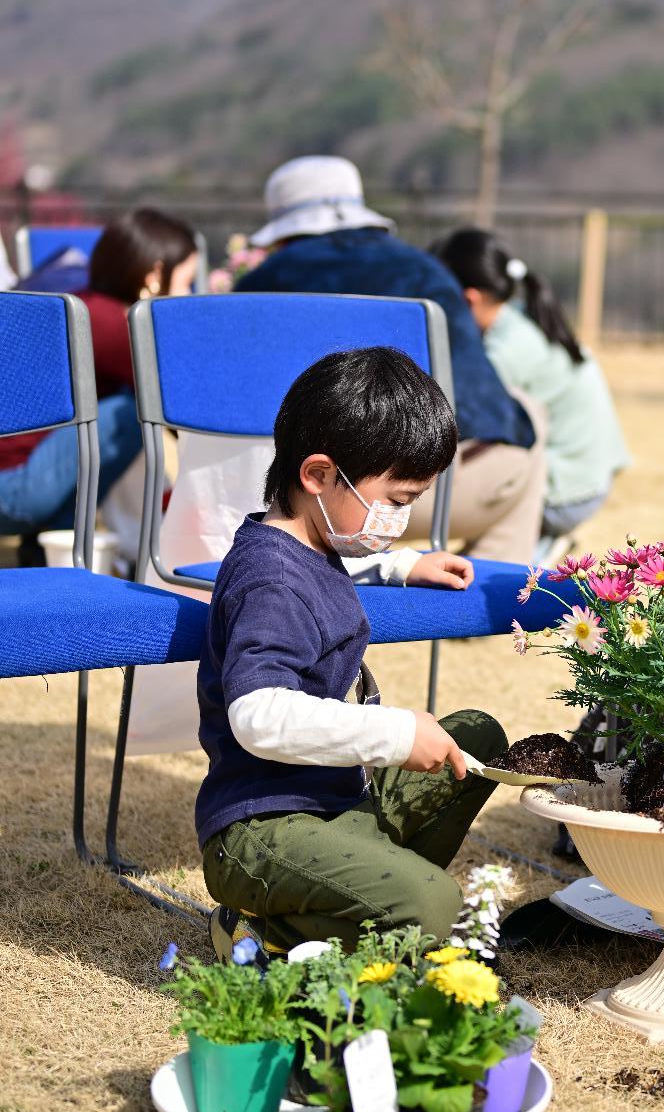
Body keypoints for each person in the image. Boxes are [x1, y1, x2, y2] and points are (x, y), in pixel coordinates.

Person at [197, 344, 509, 956]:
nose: (401, 516)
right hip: (263, 825)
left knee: (476, 737)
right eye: (395, 501)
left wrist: (402, 564)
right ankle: (260, 929)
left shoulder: (309, 538)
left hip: (334, 800)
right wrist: (392, 735)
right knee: (437, 906)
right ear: (317, 475)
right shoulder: (270, 583)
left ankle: (370, 885)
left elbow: (333, 558)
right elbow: (257, 715)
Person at [236, 156, 546, 565]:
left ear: (283, 233)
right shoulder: (427, 271)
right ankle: (483, 605)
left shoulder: (265, 284)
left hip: (342, 498)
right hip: (481, 479)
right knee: (527, 411)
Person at [0, 205, 199, 550]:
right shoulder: (112, 326)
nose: (191, 295)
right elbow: (178, 403)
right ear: (154, 275)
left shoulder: (84, 304)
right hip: (14, 491)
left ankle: (49, 549)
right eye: (186, 282)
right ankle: (70, 543)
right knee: (132, 413)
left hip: (12, 482)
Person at [433, 226, 629, 562]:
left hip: (564, 492)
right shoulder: (521, 321)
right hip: (588, 475)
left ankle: (538, 549)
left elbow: (465, 422)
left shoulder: (506, 352)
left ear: (467, 299)